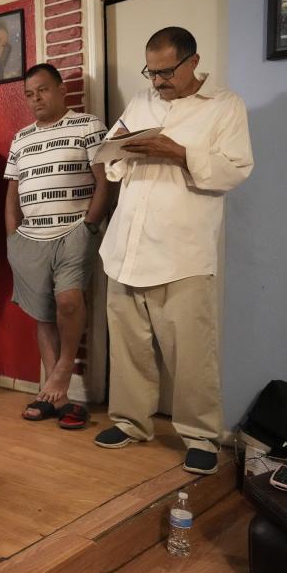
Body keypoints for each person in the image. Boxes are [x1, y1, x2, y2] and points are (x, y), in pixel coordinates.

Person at [93, 27, 253, 475]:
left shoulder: (225, 106)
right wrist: (121, 151)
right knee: (128, 347)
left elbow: (236, 170)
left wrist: (177, 152)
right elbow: (114, 157)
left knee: (191, 354)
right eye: (152, 71)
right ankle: (130, 422)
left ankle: (200, 436)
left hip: (182, 252)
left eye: (166, 71)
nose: (158, 81)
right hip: (127, 245)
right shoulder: (143, 102)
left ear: (193, 61)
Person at [4, 64, 108, 429]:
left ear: (62, 90)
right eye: (30, 94)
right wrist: (12, 237)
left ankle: (61, 371)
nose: (36, 100)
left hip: (73, 232)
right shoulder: (21, 138)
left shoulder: (89, 125)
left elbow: (104, 181)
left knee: (68, 301)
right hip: (28, 237)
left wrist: (90, 225)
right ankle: (57, 398)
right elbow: (12, 191)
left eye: (43, 90)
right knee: (44, 312)